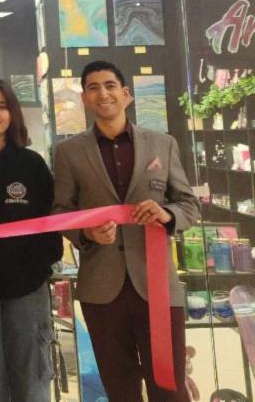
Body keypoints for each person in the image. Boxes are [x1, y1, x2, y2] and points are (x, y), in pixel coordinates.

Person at [53, 61, 200, 402]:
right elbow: (60, 212)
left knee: (169, 387)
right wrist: (87, 233)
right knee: (119, 389)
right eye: (93, 88)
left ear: (126, 94)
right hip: (101, 288)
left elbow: (189, 205)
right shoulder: (69, 152)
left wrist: (166, 213)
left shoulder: (162, 144)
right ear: (84, 99)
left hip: (157, 285)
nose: (102, 94)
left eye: (109, 85)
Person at [0, 79, 62, 402]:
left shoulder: (31, 164)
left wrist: (35, 268)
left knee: (31, 378)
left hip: (27, 290)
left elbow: (51, 224)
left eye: (2, 107)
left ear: (13, 113)